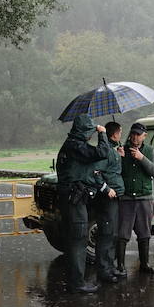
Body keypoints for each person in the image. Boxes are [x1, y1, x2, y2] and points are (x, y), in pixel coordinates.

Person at [55, 114, 109, 293]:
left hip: (69, 198)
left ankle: (74, 281)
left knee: (73, 240)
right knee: (79, 240)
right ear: (83, 130)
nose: (90, 135)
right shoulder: (76, 146)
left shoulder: (70, 145)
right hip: (74, 199)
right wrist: (103, 134)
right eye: (89, 131)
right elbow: (101, 153)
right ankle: (77, 284)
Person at [115, 121, 154, 274]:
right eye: (133, 134)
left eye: (138, 135)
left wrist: (142, 158)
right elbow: (116, 173)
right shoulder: (122, 150)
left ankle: (144, 264)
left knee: (144, 233)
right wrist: (119, 158)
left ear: (144, 136)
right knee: (122, 233)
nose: (134, 137)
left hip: (144, 198)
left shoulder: (150, 151)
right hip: (126, 198)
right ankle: (120, 265)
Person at [92, 121, 125, 282]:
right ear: (114, 134)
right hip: (107, 199)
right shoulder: (105, 151)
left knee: (113, 234)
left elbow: (111, 169)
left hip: (115, 198)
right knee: (106, 235)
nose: (121, 135)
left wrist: (118, 155)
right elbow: (96, 173)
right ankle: (104, 271)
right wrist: (106, 189)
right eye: (120, 132)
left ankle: (111, 268)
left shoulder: (113, 150)